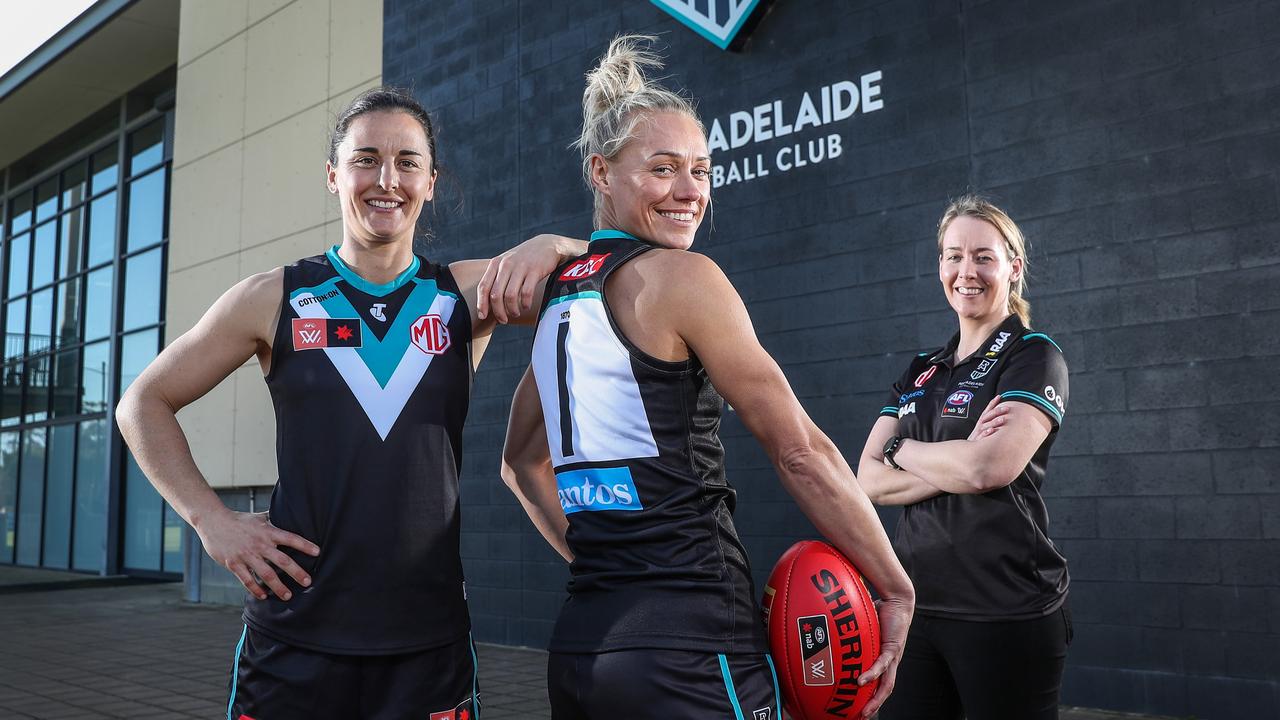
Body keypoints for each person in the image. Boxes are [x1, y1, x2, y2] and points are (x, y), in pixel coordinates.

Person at [115, 87, 587, 720]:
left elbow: (605, 273)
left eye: (407, 161)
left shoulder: (465, 295)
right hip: (295, 636)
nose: (386, 179)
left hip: (427, 640)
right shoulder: (272, 297)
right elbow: (142, 403)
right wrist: (210, 521)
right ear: (334, 176)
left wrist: (555, 245)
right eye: (365, 159)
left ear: (431, 182)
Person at [499, 36, 915, 720]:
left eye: (701, 170)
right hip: (692, 650)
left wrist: (607, 570)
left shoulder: (558, 301)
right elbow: (800, 451)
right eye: (663, 169)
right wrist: (895, 587)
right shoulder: (685, 278)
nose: (690, 191)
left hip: (582, 654)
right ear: (602, 173)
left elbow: (520, 464)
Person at [856, 195, 1072, 720]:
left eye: (983, 256)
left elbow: (989, 469)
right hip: (914, 604)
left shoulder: (1032, 355)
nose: (965, 271)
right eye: (953, 256)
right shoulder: (921, 369)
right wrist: (955, 456)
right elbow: (867, 482)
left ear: (1012, 269)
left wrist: (901, 449)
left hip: (1005, 609)